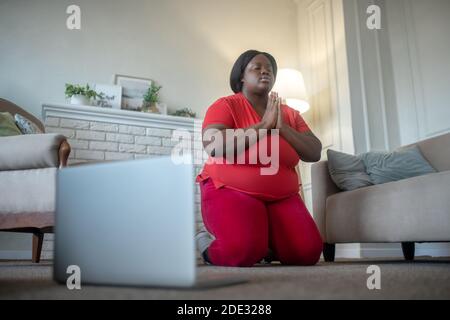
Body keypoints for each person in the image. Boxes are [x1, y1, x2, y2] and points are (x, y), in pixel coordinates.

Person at [195, 50, 323, 267]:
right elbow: (214, 145)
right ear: (241, 76)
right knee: (242, 251)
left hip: (282, 196)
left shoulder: (289, 114)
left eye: (270, 69)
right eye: (257, 67)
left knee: (306, 253)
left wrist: (282, 128)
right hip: (229, 189)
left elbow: (314, 151)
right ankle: (205, 245)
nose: (265, 71)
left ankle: (265, 246)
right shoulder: (226, 105)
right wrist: (264, 126)